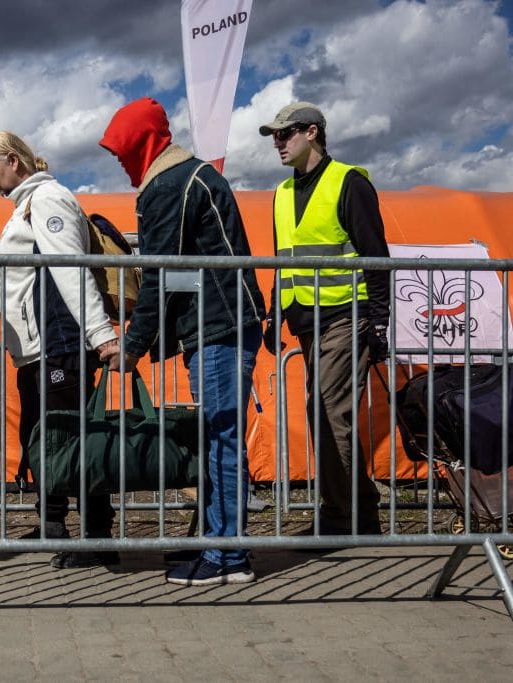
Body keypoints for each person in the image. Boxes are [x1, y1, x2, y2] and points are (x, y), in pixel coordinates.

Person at [99, 97, 266, 585]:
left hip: (218, 325)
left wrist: (131, 346)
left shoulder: (169, 184)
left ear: (141, 143)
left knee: (220, 438)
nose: (119, 161)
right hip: (223, 321)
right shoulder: (184, 176)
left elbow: (160, 274)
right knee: (218, 437)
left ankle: (227, 557)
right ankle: (218, 543)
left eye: (120, 150)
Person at [0, 131, 121, 569]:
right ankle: (54, 524)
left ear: (14, 161)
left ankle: (97, 537)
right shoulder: (28, 204)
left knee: (74, 442)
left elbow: (71, 270)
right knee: (46, 440)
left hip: (61, 342)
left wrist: (100, 334)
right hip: (40, 347)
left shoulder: (48, 200)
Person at [259, 101, 389, 536]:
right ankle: (360, 512)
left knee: (328, 411)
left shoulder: (347, 182)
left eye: (285, 133)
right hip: (307, 322)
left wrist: (380, 318)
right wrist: (274, 315)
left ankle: (340, 518)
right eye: (275, 135)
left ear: (312, 132)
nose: (278, 142)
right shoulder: (280, 194)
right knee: (327, 413)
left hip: (347, 317)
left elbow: (375, 255)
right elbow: (285, 260)